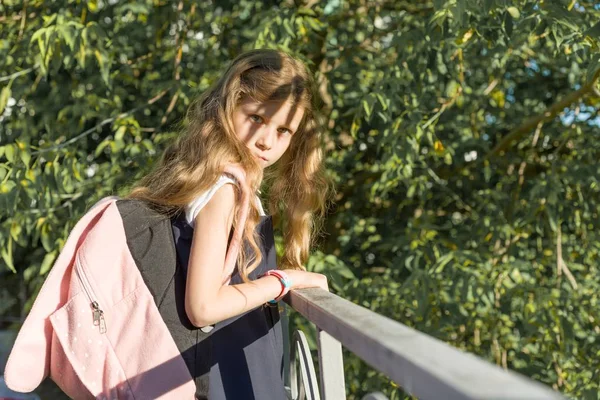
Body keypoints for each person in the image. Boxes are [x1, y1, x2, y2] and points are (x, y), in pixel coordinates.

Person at [126, 48, 331, 399]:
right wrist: (285, 280)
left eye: (284, 130)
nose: (266, 140)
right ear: (228, 107)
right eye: (256, 118)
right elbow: (203, 306)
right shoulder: (223, 190)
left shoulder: (227, 185)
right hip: (221, 383)